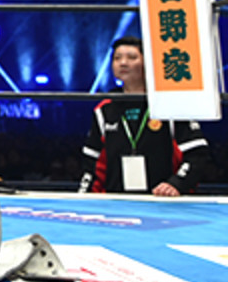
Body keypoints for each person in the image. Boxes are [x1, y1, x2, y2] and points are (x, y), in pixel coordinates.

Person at [78, 35, 212, 196]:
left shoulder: (169, 103)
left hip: (164, 201)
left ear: (147, 62)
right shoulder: (104, 110)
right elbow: (91, 164)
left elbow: (197, 154)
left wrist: (176, 184)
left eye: (132, 57)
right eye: (117, 58)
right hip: (116, 201)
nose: (123, 63)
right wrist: (83, 197)